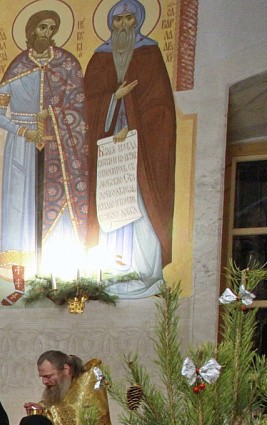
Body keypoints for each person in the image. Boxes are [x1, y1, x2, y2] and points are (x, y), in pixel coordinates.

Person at [0, 9, 88, 305]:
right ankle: (20, 285)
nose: (46, 33)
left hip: (59, 146)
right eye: (42, 28)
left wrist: (53, 118)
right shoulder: (17, 68)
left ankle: (60, 280)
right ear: (31, 31)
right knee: (19, 211)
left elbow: (80, 106)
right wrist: (24, 131)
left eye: (51, 28)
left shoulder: (67, 64)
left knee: (56, 205)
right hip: (21, 145)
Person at [84, 0, 176, 299]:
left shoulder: (150, 54)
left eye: (128, 18)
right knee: (110, 207)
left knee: (140, 205)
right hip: (109, 152)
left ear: (138, 20)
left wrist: (134, 127)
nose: (123, 25)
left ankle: (144, 271)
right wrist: (114, 98)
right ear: (111, 23)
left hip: (140, 152)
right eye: (118, 19)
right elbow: (86, 105)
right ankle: (110, 272)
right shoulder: (100, 57)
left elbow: (161, 106)